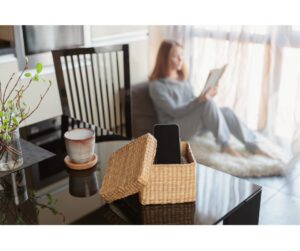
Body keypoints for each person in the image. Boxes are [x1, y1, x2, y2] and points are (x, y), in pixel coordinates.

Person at [149, 39, 268, 157]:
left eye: (181, 55)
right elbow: (174, 111)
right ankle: (225, 145)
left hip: (190, 123)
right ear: (164, 59)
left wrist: (205, 95)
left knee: (226, 112)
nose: (180, 59)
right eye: (175, 56)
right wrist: (200, 100)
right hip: (172, 130)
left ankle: (253, 145)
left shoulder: (182, 79)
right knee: (207, 103)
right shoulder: (157, 85)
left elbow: (191, 103)